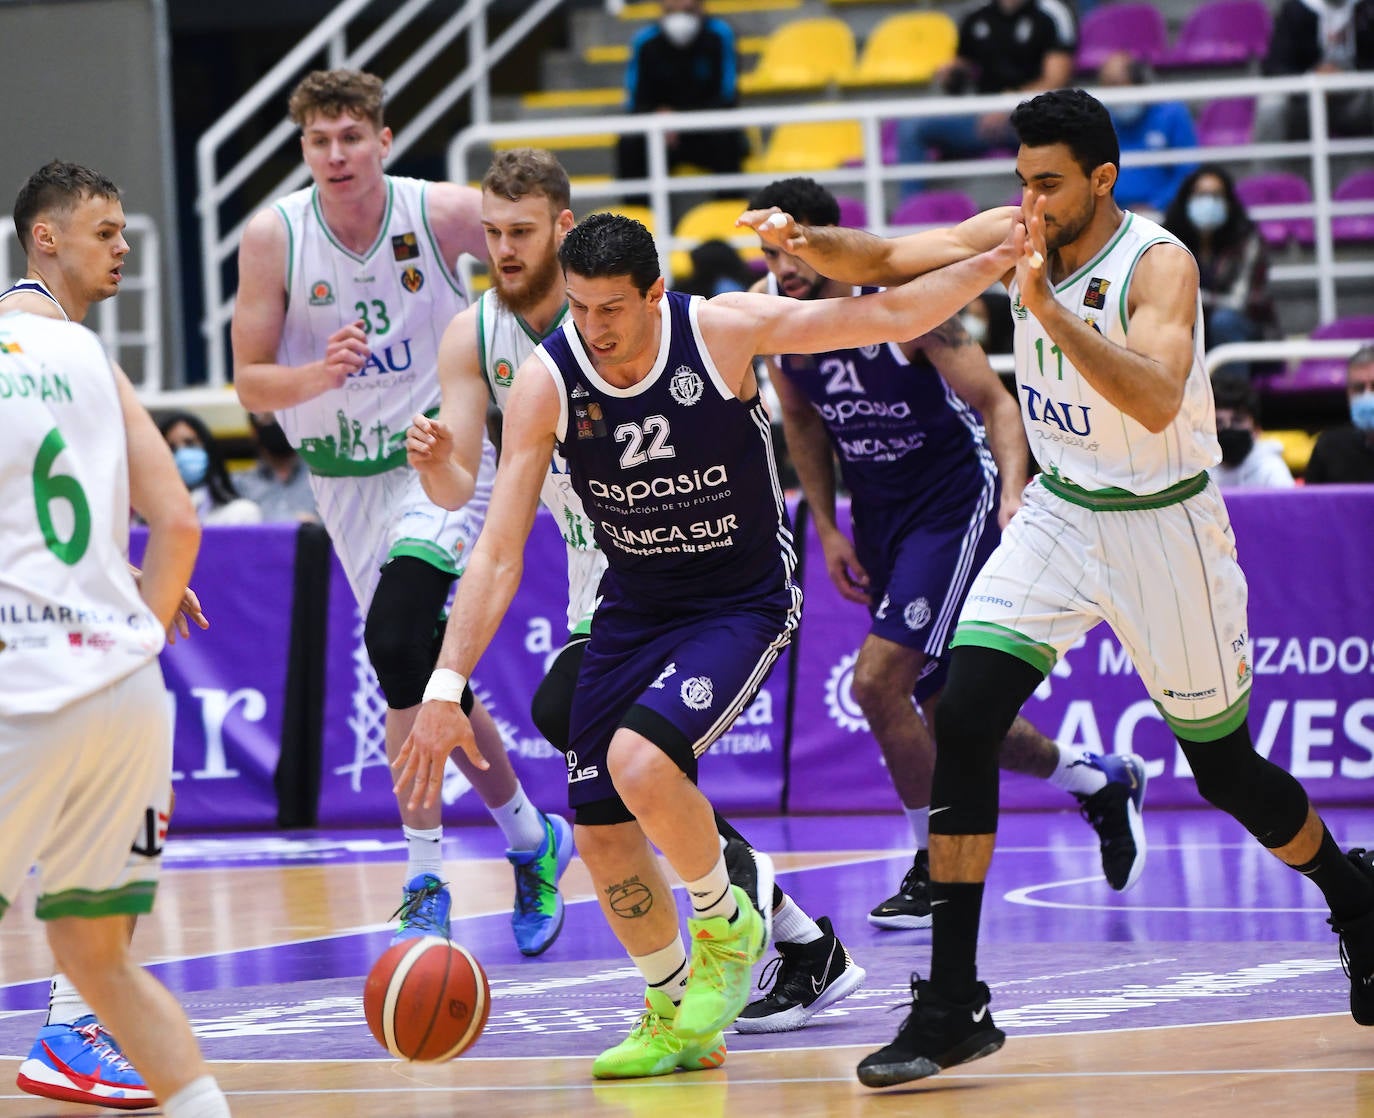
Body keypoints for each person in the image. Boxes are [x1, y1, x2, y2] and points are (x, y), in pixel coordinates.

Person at [744, 86, 1374, 1089]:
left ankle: (1351, 894)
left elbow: (1159, 392)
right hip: (1064, 509)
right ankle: (952, 1000)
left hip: (1164, 522)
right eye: (1022, 182)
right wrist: (806, 239)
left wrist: (1043, 310)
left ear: (1102, 180)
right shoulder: (1014, 230)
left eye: (1049, 183)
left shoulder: (1156, 262)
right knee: (965, 707)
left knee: (1223, 771)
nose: (1029, 202)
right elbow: (884, 261)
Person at [395, 210, 1023, 1079]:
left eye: (612, 309)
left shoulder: (719, 330)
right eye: (579, 310)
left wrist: (991, 261)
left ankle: (730, 925)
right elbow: (500, 548)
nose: (595, 330)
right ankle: (673, 1017)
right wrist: (442, 686)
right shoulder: (548, 379)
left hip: (739, 601)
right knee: (603, 829)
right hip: (633, 607)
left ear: (655, 294)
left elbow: (881, 317)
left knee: (642, 764)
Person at [410, 150, 862, 1037]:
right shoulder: (486, 340)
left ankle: (757, 932)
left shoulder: (671, 322)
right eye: (491, 234)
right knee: (616, 763)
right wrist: (435, 466)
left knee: (628, 756)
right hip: (612, 576)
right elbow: (468, 496)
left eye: (522, 233)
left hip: (675, 567)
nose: (503, 250)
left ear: (564, 233)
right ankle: (764, 948)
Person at [726, 177, 1148, 1032]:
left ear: (827, 239)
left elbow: (996, 404)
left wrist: (1012, 494)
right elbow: (801, 423)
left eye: (794, 250)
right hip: (877, 515)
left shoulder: (901, 306)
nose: (783, 268)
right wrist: (829, 527)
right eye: (770, 255)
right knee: (951, 709)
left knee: (878, 683)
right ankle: (1097, 780)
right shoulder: (778, 319)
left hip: (952, 502)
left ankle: (927, 861)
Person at [230, 69, 573, 956]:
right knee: (417, 669)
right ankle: (531, 838)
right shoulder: (274, 236)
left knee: (395, 639)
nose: (337, 154)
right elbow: (249, 383)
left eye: (352, 136)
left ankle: (425, 874)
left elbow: (539, 228)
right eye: (319, 141)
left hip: (442, 462)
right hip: (341, 478)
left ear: (384, 140)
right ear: (303, 149)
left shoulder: (441, 212)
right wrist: (319, 376)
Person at [4, 159, 211, 1110]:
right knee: (99, 958)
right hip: (124, 687)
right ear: (44, 236)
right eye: (107, 231)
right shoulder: (90, 359)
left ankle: (68, 1040)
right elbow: (177, 524)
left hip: (23, 678)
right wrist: (131, 610)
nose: (125, 246)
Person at [894, 0, 1076, 195]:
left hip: (1034, 116)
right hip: (981, 117)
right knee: (911, 127)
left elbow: (1056, 79)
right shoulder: (976, 13)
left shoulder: (1052, 12)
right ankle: (912, 211)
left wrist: (1011, 106)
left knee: (1070, 126)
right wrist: (952, 73)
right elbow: (963, 66)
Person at [614, 0, 750, 189]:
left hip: (708, 130)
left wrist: (680, 118)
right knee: (629, 144)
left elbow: (727, 97)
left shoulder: (720, 34)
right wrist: (658, 117)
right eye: (671, 11)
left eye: (688, 10)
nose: (679, 18)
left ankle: (730, 209)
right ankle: (634, 213)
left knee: (727, 139)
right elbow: (635, 102)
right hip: (663, 136)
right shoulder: (645, 41)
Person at [1162, 164, 1279, 365]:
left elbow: (1239, 303)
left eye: (1216, 196)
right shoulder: (1169, 242)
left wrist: (1193, 298)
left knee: (1224, 322)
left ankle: (1230, 394)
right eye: (1200, 195)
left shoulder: (1247, 241)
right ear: (1186, 201)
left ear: (1228, 203)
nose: (1208, 203)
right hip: (1189, 324)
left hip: (1244, 328)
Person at [1097, 51, 1197, 217]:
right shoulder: (1100, 118)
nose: (1111, 93)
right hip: (1108, 214)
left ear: (1139, 83)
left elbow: (1187, 172)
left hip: (1163, 213)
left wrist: (1156, 204)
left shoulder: (1172, 114)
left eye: (1116, 84)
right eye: (1106, 86)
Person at [1257, 0, 1374, 141]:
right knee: (1272, 104)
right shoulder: (1295, 9)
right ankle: (1273, 162)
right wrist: (1313, 78)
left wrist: (1345, 76)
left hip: (1357, 94)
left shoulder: (1367, 9)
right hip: (1304, 97)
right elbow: (1274, 66)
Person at [156, 410, 262, 526]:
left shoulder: (240, 514)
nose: (182, 453)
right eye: (172, 448)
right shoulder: (145, 521)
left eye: (190, 443)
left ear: (208, 448)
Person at [1207, 371, 1295, 489]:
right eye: (1218, 422)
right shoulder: (1197, 472)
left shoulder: (1271, 470)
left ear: (1256, 430)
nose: (1228, 428)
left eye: (1237, 421)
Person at [232, 411, 320, 522]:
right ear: (253, 431)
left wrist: (316, 529)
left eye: (283, 416)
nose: (276, 422)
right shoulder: (238, 485)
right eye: (267, 417)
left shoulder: (325, 478)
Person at [1305, 345, 1374, 483]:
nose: (1368, 395)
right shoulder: (1328, 448)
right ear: (1348, 394)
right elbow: (1309, 502)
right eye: (1359, 388)